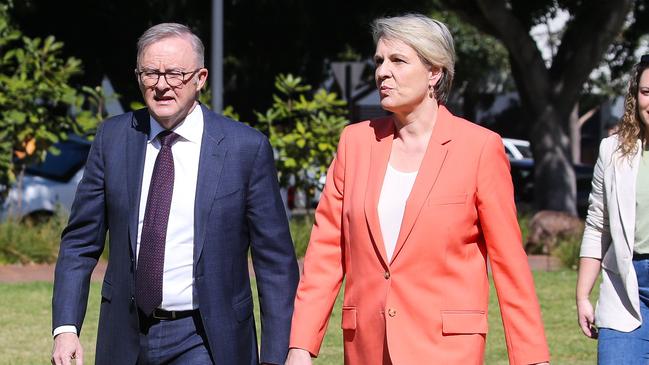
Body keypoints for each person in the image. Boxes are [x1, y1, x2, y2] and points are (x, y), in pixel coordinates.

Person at [286, 14, 550, 365]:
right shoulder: (355, 143)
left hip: (446, 349)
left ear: (434, 72)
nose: (382, 72)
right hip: (367, 348)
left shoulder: (480, 147)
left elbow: (509, 263)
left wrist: (531, 356)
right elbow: (325, 254)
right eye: (379, 61)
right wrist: (300, 346)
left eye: (398, 61)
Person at [50, 23, 299, 365]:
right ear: (138, 77)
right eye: (150, 73)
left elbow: (275, 263)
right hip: (125, 336)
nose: (162, 85)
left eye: (175, 74)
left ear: (200, 78)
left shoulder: (245, 148)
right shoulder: (112, 139)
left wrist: (277, 354)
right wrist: (66, 328)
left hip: (206, 338)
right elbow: (79, 242)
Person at [577, 55, 649, 363]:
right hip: (627, 285)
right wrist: (582, 294)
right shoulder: (613, 151)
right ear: (635, 96)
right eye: (646, 92)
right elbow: (597, 224)